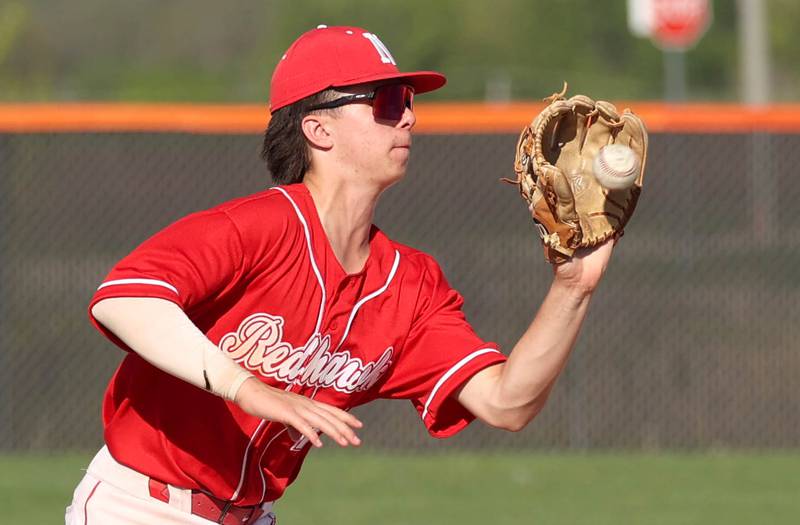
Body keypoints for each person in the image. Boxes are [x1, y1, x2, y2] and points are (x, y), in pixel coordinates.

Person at [66, 25, 616, 525]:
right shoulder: (253, 228)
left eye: (408, 101)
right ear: (317, 129)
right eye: (386, 101)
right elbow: (123, 300)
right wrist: (245, 387)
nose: (409, 116)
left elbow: (507, 402)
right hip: (141, 507)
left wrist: (574, 287)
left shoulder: (410, 284)